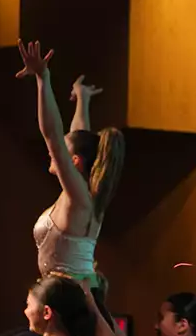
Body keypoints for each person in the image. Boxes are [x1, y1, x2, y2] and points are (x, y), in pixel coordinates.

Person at [15, 40, 125, 286]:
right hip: (67, 294)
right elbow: (79, 135)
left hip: (70, 299)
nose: (53, 153)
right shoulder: (83, 193)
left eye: (63, 153)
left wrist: (43, 78)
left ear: (74, 162)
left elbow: (53, 136)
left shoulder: (80, 198)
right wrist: (82, 101)